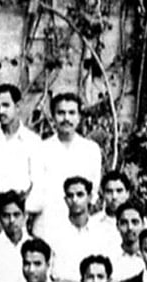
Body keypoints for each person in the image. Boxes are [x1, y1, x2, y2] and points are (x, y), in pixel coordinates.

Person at [0, 83, 43, 239]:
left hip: (16, 209)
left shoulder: (32, 141)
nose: (1, 111)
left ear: (17, 106)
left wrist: (23, 211)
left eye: (6, 105)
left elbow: (38, 183)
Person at [37, 93, 102, 232]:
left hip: (80, 223)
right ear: (53, 117)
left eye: (72, 113)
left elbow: (93, 191)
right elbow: (38, 191)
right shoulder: (41, 150)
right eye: (61, 113)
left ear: (79, 117)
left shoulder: (91, 150)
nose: (66, 118)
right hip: (48, 223)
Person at [43, 176, 120, 282]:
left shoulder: (102, 231)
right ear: (65, 200)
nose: (75, 200)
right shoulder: (54, 232)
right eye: (70, 195)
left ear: (89, 197)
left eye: (80, 195)